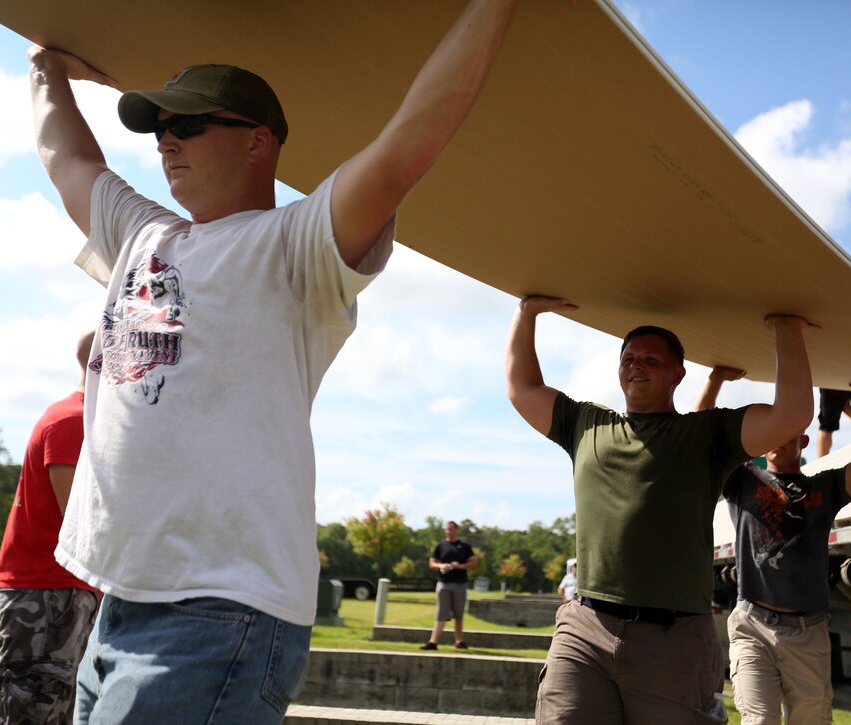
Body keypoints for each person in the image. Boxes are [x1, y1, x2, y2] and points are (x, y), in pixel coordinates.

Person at [27, 2, 520, 721]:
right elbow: (66, 158)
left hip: (221, 613)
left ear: (257, 142)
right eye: (160, 128)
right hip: (118, 601)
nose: (166, 142)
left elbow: (410, 141)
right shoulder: (140, 233)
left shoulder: (295, 246)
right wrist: (45, 66)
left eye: (188, 125)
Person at [506, 295, 815, 724]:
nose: (636, 365)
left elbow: (792, 413)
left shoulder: (707, 434)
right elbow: (522, 389)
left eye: (651, 359)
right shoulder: (586, 424)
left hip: (674, 640)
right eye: (628, 357)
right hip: (586, 627)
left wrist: (786, 328)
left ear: (678, 373)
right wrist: (528, 313)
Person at [695, 368, 851, 725]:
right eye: (773, 431)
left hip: (809, 633)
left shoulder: (826, 487)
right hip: (752, 626)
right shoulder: (742, 480)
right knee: (760, 719)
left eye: (789, 433)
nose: (779, 439)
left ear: (803, 442)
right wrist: (716, 380)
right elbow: (697, 436)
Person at [0, 329, 98, 725]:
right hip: (49, 589)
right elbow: (80, 517)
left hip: (60, 588)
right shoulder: (74, 419)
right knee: (32, 709)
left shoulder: (79, 416)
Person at [421, 521, 478, 650]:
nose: (449, 531)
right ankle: (433, 642)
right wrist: (442, 566)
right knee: (441, 613)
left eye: (451, 529)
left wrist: (460, 566)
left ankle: (459, 641)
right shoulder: (440, 546)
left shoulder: (464, 546)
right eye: (447, 529)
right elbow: (432, 563)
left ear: (456, 530)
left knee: (458, 614)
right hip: (443, 584)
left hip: (460, 584)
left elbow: (474, 562)